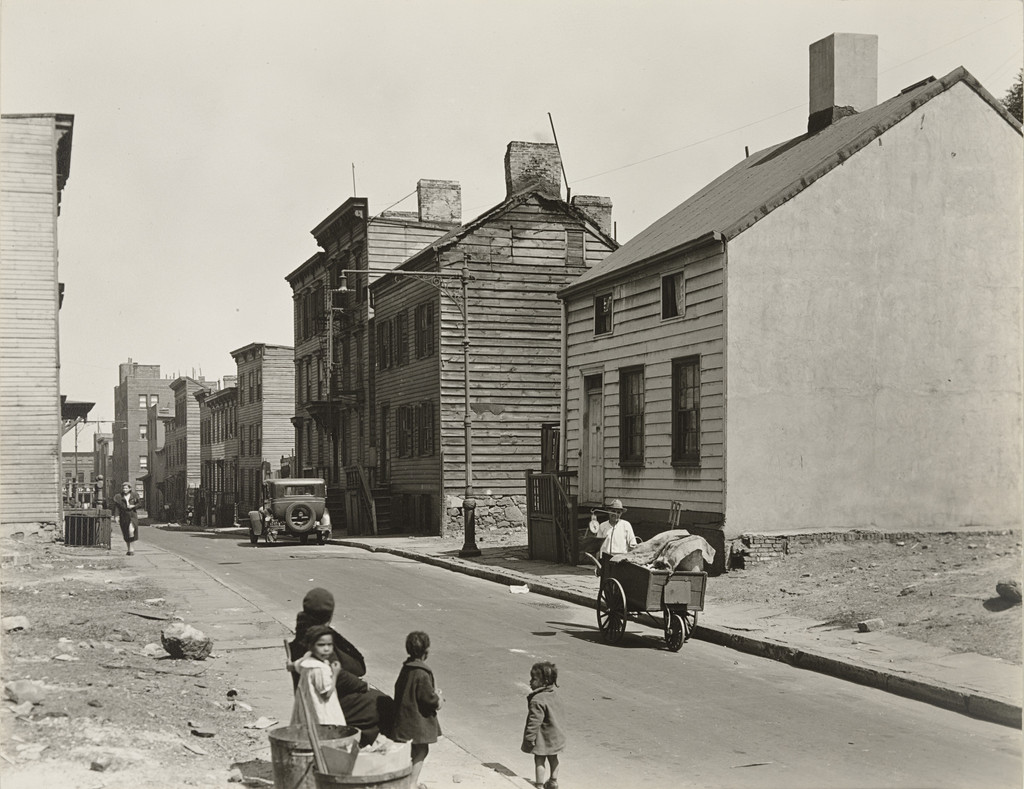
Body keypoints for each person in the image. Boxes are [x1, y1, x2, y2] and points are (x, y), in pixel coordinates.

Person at [287, 587, 394, 746]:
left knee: (377, 701)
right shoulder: (317, 639)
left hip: (317, 695)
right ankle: (361, 749)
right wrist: (363, 685)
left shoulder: (305, 631)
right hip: (326, 701)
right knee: (384, 704)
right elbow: (340, 673)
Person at [392, 631, 442, 789]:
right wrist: (438, 699)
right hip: (417, 721)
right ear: (427, 651)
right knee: (422, 751)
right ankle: (411, 784)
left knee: (411, 751)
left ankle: (407, 781)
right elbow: (428, 699)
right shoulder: (421, 673)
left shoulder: (406, 668)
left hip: (404, 717)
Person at [291, 624, 346, 726]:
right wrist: (335, 674)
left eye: (330, 644)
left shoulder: (307, 659)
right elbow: (326, 693)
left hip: (309, 711)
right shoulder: (320, 669)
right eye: (321, 645)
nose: (326, 649)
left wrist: (290, 665)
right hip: (323, 715)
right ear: (310, 646)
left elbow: (295, 666)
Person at [521, 661, 565, 789]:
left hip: (543, 737)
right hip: (556, 735)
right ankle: (553, 781)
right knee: (553, 758)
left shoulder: (537, 699)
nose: (530, 682)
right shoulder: (554, 695)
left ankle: (539, 784)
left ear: (544, 682)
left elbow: (534, 721)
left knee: (539, 759)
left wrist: (529, 737)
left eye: (533, 679)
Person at [112, 482, 140, 556]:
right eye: (123, 488)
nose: (124, 489)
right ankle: (129, 550)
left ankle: (132, 549)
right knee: (126, 533)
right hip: (123, 516)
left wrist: (133, 506)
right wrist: (116, 516)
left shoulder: (134, 495)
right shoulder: (118, 497)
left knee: (131, 531)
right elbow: (117, 508)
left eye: (126, 488)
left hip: (132, 515)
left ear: (130, 488)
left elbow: (139, 504)